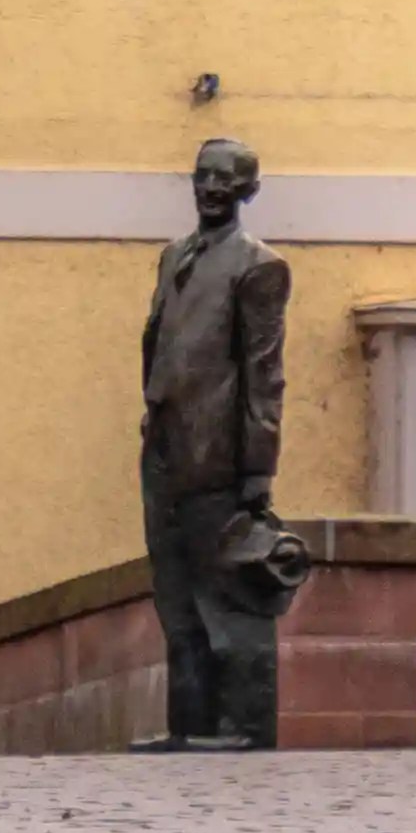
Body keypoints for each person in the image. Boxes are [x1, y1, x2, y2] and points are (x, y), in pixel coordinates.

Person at [139, 136, 304, 749]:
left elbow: (264, 372)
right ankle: (190, 724)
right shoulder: (173, 257)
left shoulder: (259, 266)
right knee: (175, 596)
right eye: (203, 176)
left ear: (248, 192)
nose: (210, 189)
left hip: (219, 455)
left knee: (232, 597)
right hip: (163, 447)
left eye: (226, 180)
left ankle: (244, 726)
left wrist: (259, 468)